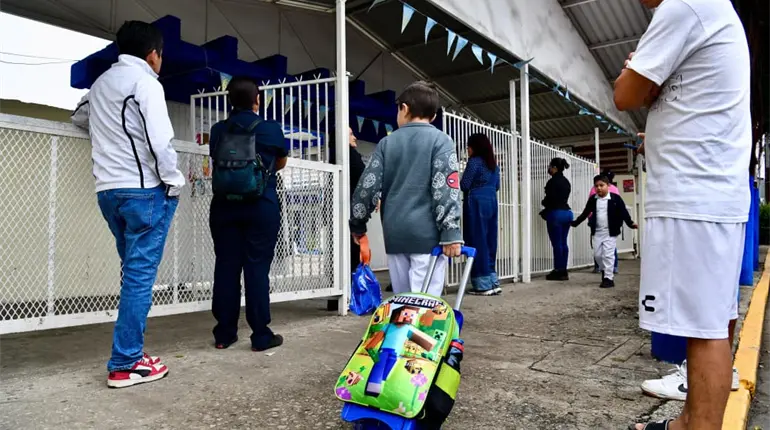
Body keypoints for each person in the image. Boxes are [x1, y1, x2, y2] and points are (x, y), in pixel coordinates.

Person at [614, 0, 751, 428]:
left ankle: (699, 426)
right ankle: (688, 421)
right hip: (709, 193)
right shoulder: (710, 8)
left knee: (703, 328)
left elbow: (625, 94)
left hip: (690, 195)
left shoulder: (684, 6)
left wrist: (637, 73)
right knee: (711, 321)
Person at [70, 21, 184, 388]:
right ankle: (125, 362)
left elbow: (80, 116)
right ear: (153, 55)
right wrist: (174, 181)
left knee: (132, 274)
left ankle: (131, 352)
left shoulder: (100, 84)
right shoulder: (146, 83)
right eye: (160, 55)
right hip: (143, 191)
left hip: (108, 192)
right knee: (139, 278)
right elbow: (161, 141)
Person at [349, 81, 463, 297]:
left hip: (395, 236)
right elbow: (446, 190)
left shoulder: (386, 144)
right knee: (425, 305)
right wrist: (451, 232)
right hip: (427, 238)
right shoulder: (441, 141)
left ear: (404, 108)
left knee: (403, 302)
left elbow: (367, 187)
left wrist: (358, 225)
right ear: (434, 116)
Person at [208, 76, 288, 352]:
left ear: (230, 100)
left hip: (223, 207)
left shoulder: (218, 130)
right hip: (260, 206)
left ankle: (224, 334)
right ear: (258, 100)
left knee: (227, 266)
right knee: (256, 267)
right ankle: (260, 335)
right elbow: (281, 161)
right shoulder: (269, 129)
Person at [571, 175, 637, 288]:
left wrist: (630, 223)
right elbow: (585, 212)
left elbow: (623, 212)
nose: (599, 188)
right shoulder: (593, 199)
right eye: (596, 186)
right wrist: (575, 222)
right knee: (597, 255)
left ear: (608, 186)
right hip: (597, 232)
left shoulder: (615, 199)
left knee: (608, 254)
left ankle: (608, 278)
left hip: (610, 232)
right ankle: (604, 270)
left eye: (602, 185)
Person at [327, 127, 367, 312]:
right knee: (352, 253)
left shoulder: (333, 157)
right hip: (350, 211)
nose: (355, 136)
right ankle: (349, 296)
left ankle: (335, 297)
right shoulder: (352, 156)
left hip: (334, 210)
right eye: (350, 133)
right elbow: (365, 180)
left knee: (335, 253)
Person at [460, 133, 501, 296]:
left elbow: (464, 185)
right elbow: (497, 186)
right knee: (491, 240)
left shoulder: (474, 162)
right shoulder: (494, 165)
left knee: (477, 240)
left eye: (468, 147)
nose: (467, 150)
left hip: (476, 201)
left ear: (474, 147)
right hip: (491, 201)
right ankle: (492, 280)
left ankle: (482, 284)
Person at [540, 157, 573, 281]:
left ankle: (558, 270)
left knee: (557, 244)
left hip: (556, 214)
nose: (548, 168)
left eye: (550, 166)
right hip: (567, 213)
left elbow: (550, 199)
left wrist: (544, 204)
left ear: (554, 167)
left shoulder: (552, 182)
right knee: (563, 242)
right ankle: (563, 270)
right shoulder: (566, 182)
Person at [589, 169, 621, 274]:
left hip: (600, 221)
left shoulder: (594, 190)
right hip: (610, 222)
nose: (599, 188)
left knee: (598, 246)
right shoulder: (615, 189)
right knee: (610, 248)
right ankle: (613, 266)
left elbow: (590, 207)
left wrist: (590, 218)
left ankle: (599, 267)